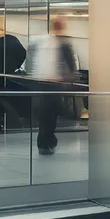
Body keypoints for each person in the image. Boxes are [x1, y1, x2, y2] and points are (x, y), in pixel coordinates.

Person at [29, 17, 81, 156]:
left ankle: (44, 142)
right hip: (53, 83)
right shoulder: (62, 43)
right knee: (50, 114)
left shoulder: (42, 42)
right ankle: (48, 141)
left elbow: (34, 62)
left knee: (45, 114)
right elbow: (70, 64)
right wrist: (72, 77)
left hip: (41, 82)